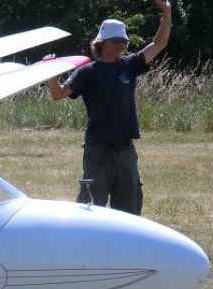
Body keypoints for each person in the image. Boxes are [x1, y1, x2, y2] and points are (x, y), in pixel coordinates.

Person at [48, 1, 172, 215]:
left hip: (126, 149)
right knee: (91, 208)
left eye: (124, 41)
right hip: (98, 149)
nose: (121, 46)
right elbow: (58, 94)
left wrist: (167, 12)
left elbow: (159, 44)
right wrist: (51, 73)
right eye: (116, 41)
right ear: (102, 43)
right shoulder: (87, 72)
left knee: (129, 211)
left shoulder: (129, 65)